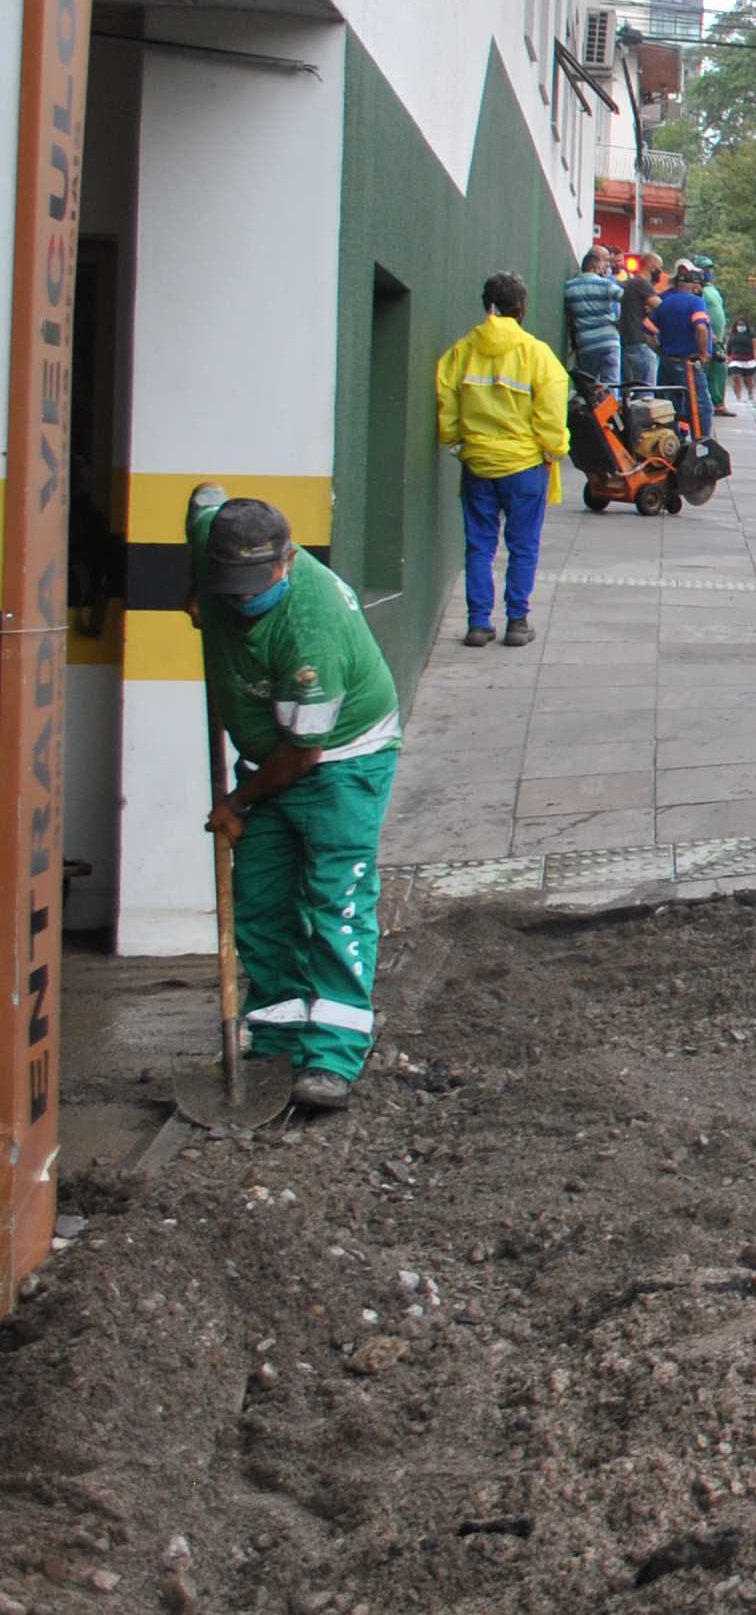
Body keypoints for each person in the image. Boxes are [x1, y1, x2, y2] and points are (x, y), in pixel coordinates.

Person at [190, 489, 399, 1112]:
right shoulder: (214, 533)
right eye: (230, 583)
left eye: (254, 584)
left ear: (287, 561)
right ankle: (277, 1037)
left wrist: (237, 801)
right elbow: (200, 502)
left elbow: (302, 754)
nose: (243, 596)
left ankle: (333, 1054)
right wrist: (193, 591)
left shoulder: (312, 633)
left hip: (340, 764)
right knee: (260, 901)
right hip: (268, 761)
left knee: (334, 901)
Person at [433, 272, 568, 647]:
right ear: (522, 308)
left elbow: (446, 401)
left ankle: (478, 624)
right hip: (525, 467)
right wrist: (552, 451)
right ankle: (517, 623)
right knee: (523, 545)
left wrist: (456, 443)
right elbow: (552, 415)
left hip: (477, 465)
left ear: (486, 305)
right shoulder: (537, 355)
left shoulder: (462, 351)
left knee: (479, 545)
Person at [651, 263, 715, 437]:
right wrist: (702, 353)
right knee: (701, 404)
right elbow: (700, 327)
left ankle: (672, 439)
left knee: (669, 404)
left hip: (667, 361)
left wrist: (658, 349)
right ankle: (702, 443)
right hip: (688, 363)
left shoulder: (664, 302)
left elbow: (646, 328)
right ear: (695, 287)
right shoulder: (696, 302)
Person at [561, 246, 622, 389]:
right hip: (609, 341)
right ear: (595, 266)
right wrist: (619, 322)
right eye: (603, 263)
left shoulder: (569, 287)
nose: (605, 267)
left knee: (589, 388)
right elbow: (625, 298)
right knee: (610, 385)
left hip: (586, 344)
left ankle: (591, 411)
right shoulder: (606, 284)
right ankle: (610, 411)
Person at [618, 253, 661, 398]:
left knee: (632, 387)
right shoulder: (641, 283)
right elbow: (661, 307)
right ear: (651, 266)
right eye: (658, 268)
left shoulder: (632, 283)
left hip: (628, 341)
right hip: (637, 341)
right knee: (646, 390)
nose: (659, 272)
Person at [698, 266, 735, 418]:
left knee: (719, 369)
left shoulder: (713, 290)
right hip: (707, 337)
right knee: (705, 371)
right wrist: (709, 331)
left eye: (710, 269)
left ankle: (718, 403)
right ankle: (704, 404)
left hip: (717, 339)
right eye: (706, 269)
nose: (709, 272)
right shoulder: (699, 291)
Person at [725, 315, 756, 405]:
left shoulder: (752, 335)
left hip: (749, 360)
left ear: (746, 325)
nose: (741, 326)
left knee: (748, 380)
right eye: (739, 325)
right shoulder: (732, 335)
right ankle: (738, 397)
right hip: (735, 360)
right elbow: (728, 347)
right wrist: (728, 357)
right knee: (736, 378)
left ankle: (750, 392)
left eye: (743, 324)